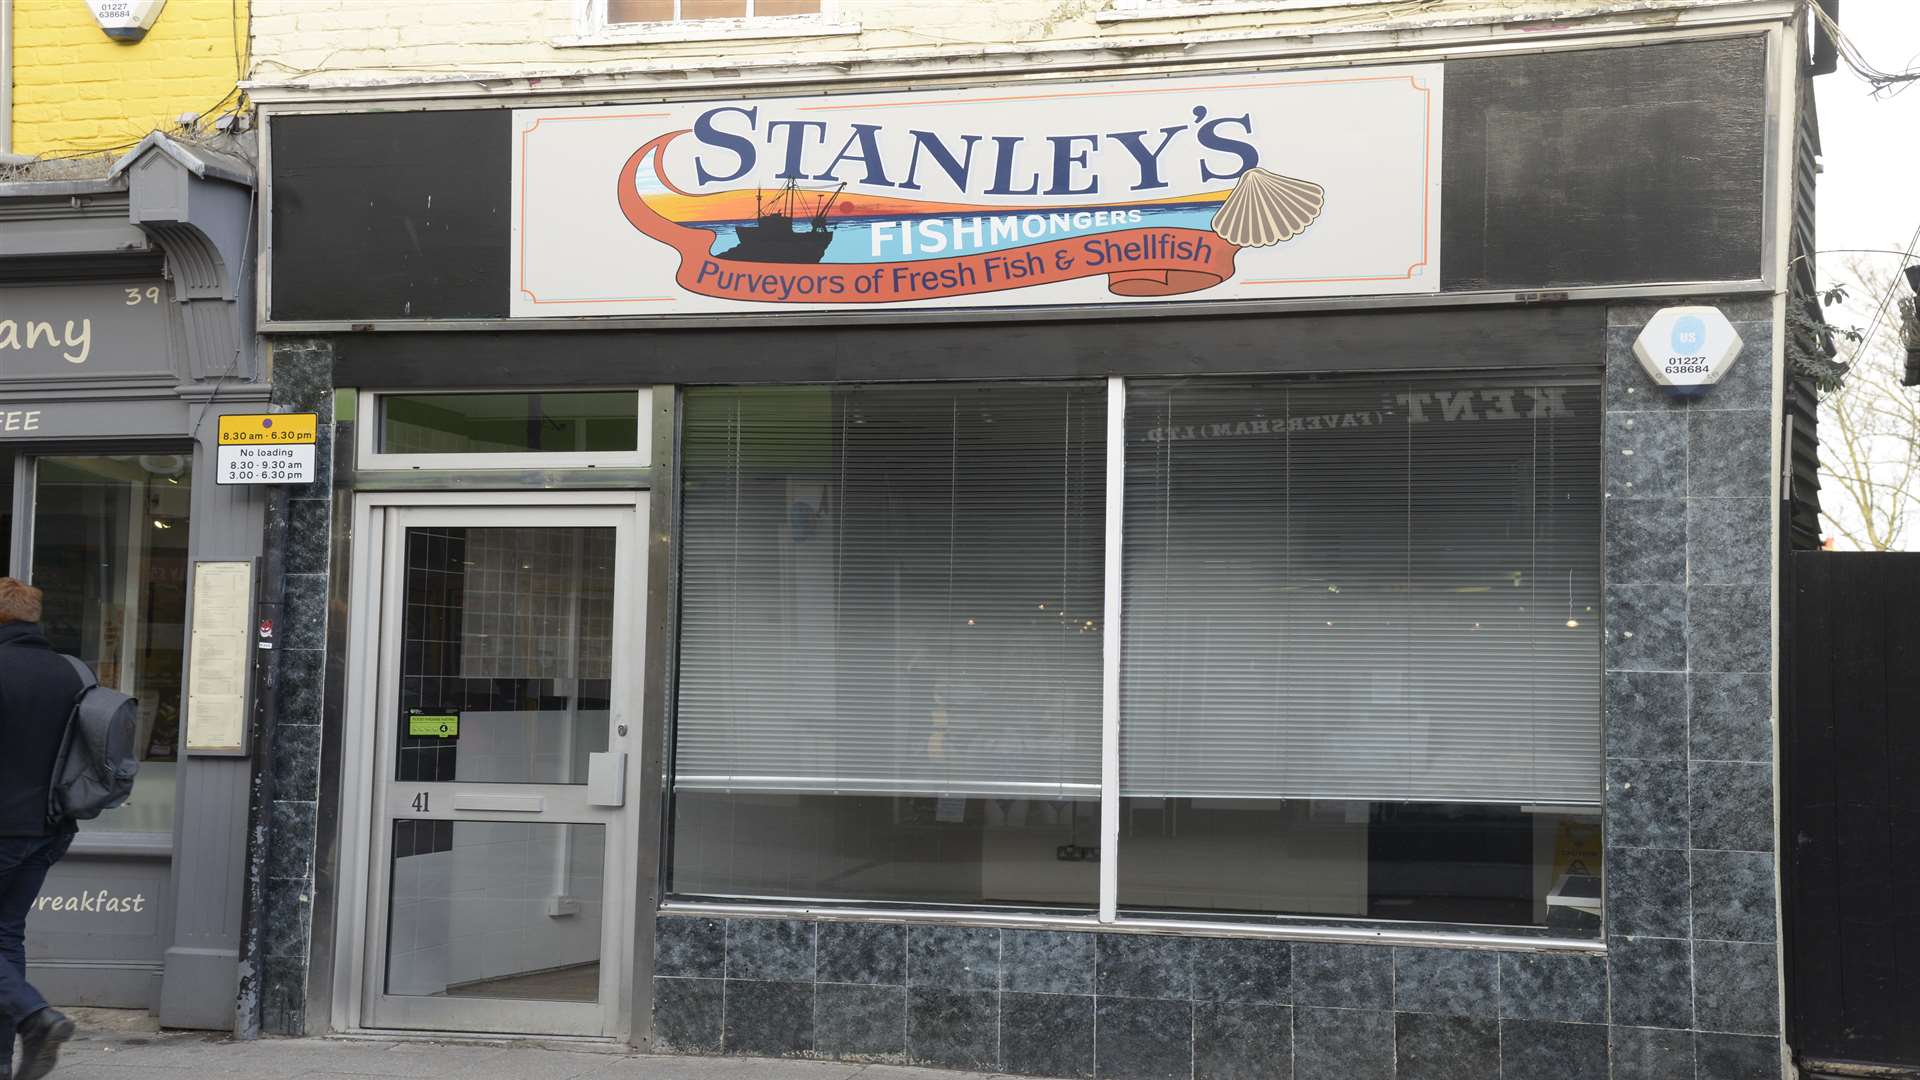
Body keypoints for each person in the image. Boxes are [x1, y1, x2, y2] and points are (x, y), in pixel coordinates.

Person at [0, 579, 79, 1080]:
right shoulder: (69, 673)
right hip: (49, 828)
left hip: (4, 826)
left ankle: (35, 1016)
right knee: (6, 940)